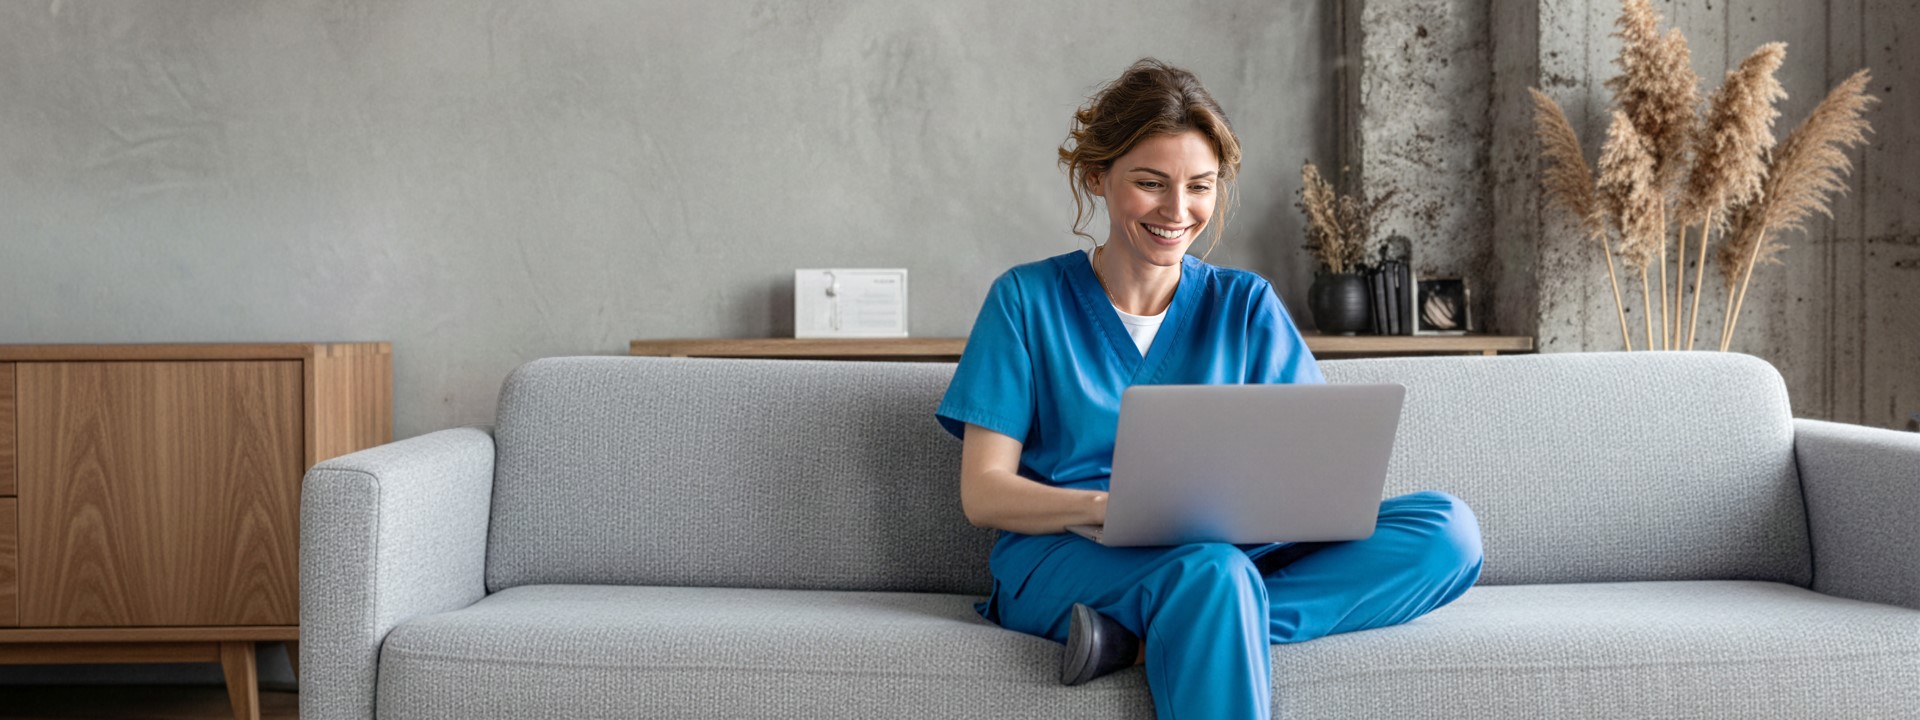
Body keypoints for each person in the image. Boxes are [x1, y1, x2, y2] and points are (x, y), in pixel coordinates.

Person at [934, 58, 1484, 719]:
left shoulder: (1245, 304)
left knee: (1447, 532)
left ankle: (1140, 640)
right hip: (1066, 555)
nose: (1178, 210)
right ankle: (1198, 616)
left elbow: (1310, 468)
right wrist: (1106, 507)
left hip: (1227, 547)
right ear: (1096, 177)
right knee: (1212, 578)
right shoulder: (1024, 300)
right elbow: (983, 493)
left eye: (1200, 186)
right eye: (1150, 183)